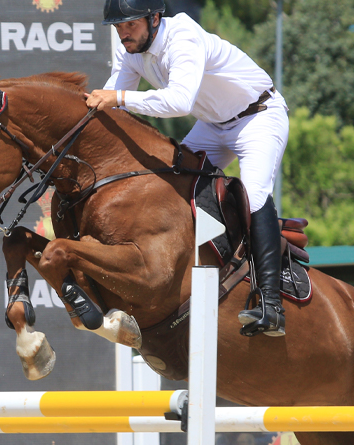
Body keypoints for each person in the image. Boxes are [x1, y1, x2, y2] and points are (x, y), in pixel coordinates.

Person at [85, 0, 290, 337]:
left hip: (258, 117)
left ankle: (271, 303)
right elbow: (111, 102)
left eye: (130, 25)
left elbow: (177, 102)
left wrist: (118, 98)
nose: (124, 33)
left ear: (154, 19)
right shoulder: (132, 49)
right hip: (213, 124)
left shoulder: (183, 37)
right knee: (167, 183)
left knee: (254, 194)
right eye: (118, 27)